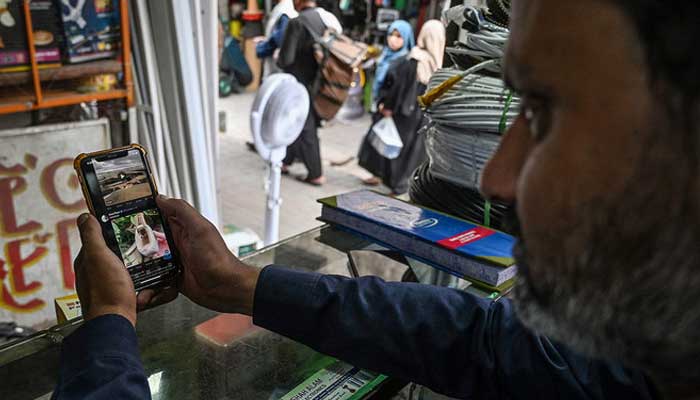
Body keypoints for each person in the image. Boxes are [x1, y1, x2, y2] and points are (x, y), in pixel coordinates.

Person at [53, 1, 700, 399]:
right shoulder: (629, 370)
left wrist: (109, 328)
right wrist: (238, 285)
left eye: (545, 111)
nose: (499, 179)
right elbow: (474, 341)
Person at [359, 20, 445, 195]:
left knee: (400, 149)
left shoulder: (415, 58)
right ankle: (400, 185)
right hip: (420, 115)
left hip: (405, 112)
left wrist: (388, 106)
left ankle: (397, 185)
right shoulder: (438, 65)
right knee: (411, 152)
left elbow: (399, 88)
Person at [276, 0, 341, 186]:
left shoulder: (296, 23)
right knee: (295, 121)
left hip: (298, 83)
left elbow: (285, 60)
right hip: (318, 83)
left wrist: (277, 56)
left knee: (305, 126)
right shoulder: (322, 20)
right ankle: (285, 161)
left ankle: (316, 173)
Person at [255, 0, 298, 79]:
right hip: (278, 68)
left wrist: (262, 48)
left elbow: (280, 39)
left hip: (279, 69)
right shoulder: (283, 8)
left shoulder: (285, 11)